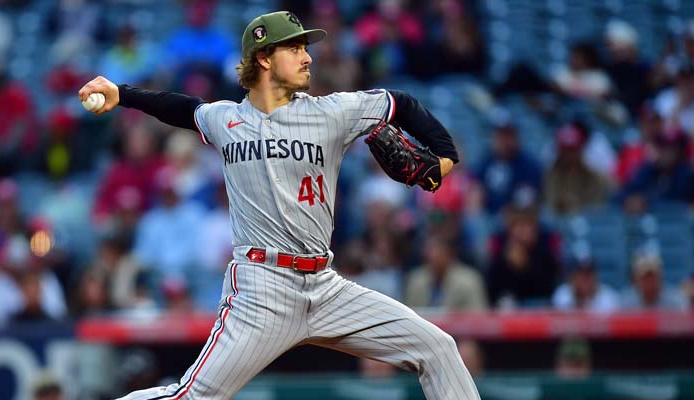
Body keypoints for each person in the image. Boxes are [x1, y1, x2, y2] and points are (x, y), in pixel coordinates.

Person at [80, 10, 479, 400]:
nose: (308, 57)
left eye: (307, 48)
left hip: (326, 287)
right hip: (261, 290)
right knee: (193, 395)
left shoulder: (332, 113)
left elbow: (401, 103)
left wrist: (444, 159)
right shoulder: (226, 119)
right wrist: (122, 95)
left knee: (438, 348)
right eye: (296, 48)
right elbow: (181, 108)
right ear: (265, 58)